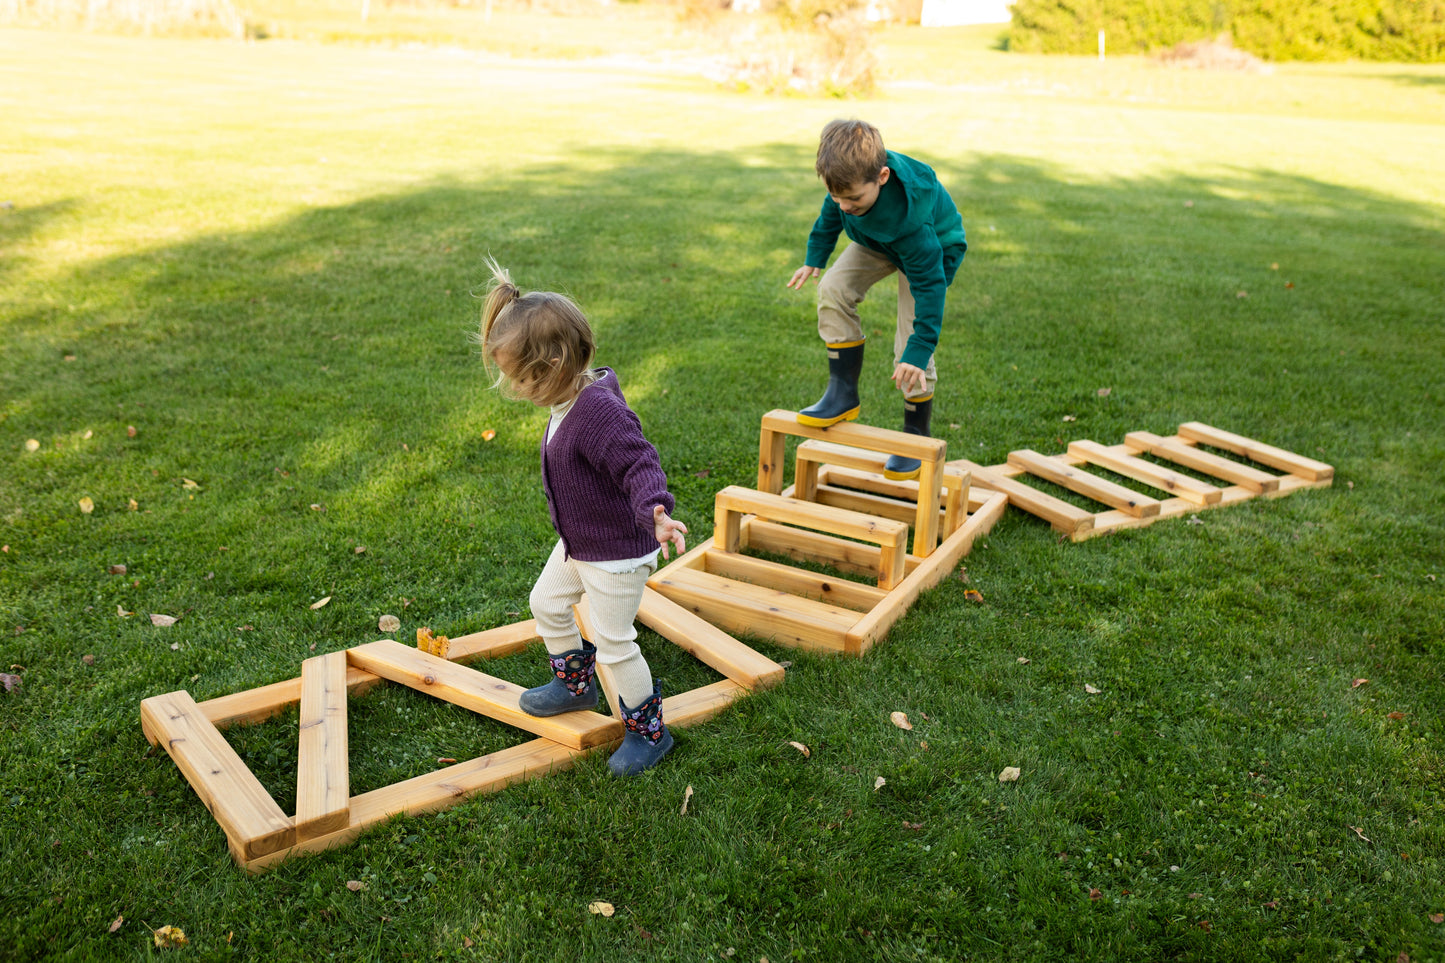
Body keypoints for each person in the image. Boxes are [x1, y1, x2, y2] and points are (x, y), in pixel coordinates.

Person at [479, 258, 688, 776]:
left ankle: (649, 734)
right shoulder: (568, 398)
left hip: (617, 552)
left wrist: (656, 511)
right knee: (546, 601)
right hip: (582, 541)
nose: (515, 390)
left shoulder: (598, 412)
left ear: (552, 367)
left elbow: (639, 461)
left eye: (520, 379)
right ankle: (575, 686)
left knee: (616, 643)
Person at [787, 119, 967, 480]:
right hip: (879, 240)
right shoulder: (847, 182)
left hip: (928, 252)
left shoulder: (913, 224)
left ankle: (915, 432)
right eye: (838, 195)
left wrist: (919, 348)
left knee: (910, 351)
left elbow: (930, 290)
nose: (844, 205)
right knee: (833, 290)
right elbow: (828, 216)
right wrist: (815, 256)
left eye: (853, 198)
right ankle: (842, 393)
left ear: (882, 177)